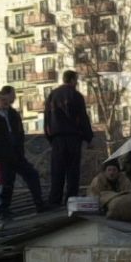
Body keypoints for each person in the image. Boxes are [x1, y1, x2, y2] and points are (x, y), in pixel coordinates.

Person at [0, 85, 44, 223]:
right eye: (2, 100)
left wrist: (19, 150)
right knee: (3, 183)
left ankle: (40, 203)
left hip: (16, 155)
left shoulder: (13, 114)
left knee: (31, 174)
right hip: (1, 158)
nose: (6, 103)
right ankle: (0, 210)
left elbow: (19, 133)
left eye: (6, 100)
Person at [43, 69, 94, 208]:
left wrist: (50, 137)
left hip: (57, 138)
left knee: (57, 170)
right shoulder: (76, 96)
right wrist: (88, 137)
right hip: (73, 138)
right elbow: (83, 118)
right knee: (72, 170)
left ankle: (54, 200)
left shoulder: (52, 95)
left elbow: (47, 118)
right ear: (72, 80)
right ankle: (71, 199)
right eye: (76, 80)